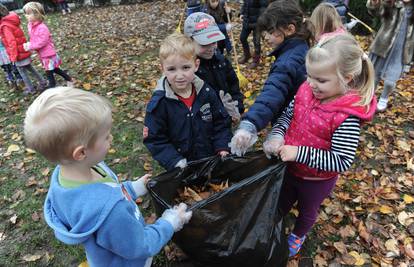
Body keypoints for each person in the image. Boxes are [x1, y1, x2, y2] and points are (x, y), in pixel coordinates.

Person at [24, 87, 192, 267]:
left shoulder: (66, 175)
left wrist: (132, 188)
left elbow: (109, 190)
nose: (111, 138)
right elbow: (141, 245)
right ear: (81, 153)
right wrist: (169, 222)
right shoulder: (112, 212)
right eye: (105, 137)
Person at [263, 34, 376, 257]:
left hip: (316, 180)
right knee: (282, 198)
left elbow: (342, 161)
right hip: (290, 167)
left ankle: (298, 234)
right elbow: (288, 115)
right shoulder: (306, 89)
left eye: (321, 80)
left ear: (348, 79)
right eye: (309, 76)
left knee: (307, 209)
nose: (312, 84)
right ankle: (275, 219)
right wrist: (277, 134)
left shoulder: (346, 118)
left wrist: (299, 153)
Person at [230, 0, 313, 156]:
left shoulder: (287, 62)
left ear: (289, 29)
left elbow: (273, 92)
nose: (265, 36)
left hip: (288, 121)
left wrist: (250, 124)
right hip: (300, 118)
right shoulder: (302, 46)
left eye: (269, 31)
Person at [143, 32, 233, 171]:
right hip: (181, 167)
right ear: (162, 69)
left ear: (196, 65)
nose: (180, 76)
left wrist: (222, 146)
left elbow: (221, 122)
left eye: (185, 67)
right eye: (172, 69)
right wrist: (174, 161)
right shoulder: (160, 103)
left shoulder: (206, 93)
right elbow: (155, 139)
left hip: (211, 159)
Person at [184, 12, 244, 121]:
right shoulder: (187, 70)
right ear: (189, 41)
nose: (211, 47)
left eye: (214, 42)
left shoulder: (221, 60)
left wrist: (237, 105)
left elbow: (233, 83)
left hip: (226, 116)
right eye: (204, 43)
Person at [367, 0, 414, 111]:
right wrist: (374, 4)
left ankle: (383, 99)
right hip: (383, 46)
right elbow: (377, 12)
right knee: (374, 75)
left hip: (401, 51)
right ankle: (369, 97)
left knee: (390, 81)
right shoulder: (393, 4)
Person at [23, 2, 73, 89]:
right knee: (55, 69)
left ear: (37, 14)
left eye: (29, 13)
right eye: (26, 14)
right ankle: (69, 79)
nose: (26, 16)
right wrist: (29, 44)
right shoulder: (31, 25)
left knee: (49, 72)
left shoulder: (42, 27)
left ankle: (52, 88)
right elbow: (34, 37)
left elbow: (42, 41)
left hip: (48, 53)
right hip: (42, 54)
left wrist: (31, 46)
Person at [0, 3, 47, 94]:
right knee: (30, 67)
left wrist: (13, 57)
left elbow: (12, 42)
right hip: (22, 49)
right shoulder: (11, 20)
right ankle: (42, 81)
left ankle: (31, 89)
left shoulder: (4, 26)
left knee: (22, 72)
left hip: (17, 53)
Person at [238, 0, 268, 68]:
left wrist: (261, 23)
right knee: (242, 38)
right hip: (247, 21)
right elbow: (245, 5)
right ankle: (247, 55)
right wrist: (241, 13)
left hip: (257, 24)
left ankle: (256, 61)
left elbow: (263, 10)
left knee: (256, 42)